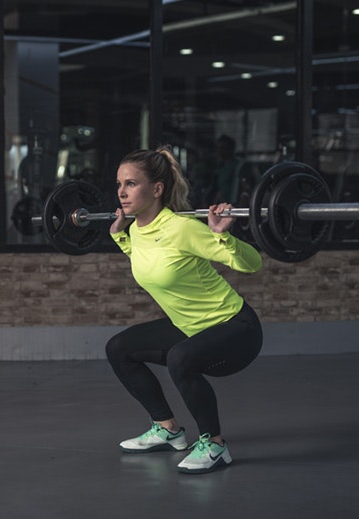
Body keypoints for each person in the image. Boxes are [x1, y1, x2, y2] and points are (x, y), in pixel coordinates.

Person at [106, 145, 264, 474]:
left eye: (131, 184)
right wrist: (121, 238)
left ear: (157, 189)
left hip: (235, 328)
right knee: (119, 348)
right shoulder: (136, 230)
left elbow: (252, 264)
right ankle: (167, 429)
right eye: (119, 184)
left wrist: (224, 237)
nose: (121, 192)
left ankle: (215, 445)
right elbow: (150, 264)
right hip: (190, 326)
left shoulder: (183, 229)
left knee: (180, 356)